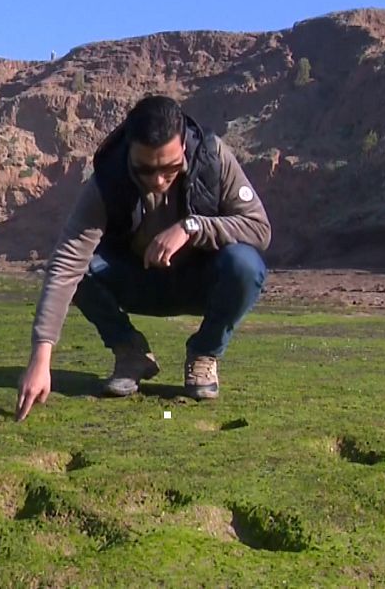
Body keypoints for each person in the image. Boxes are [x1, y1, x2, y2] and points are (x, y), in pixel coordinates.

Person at [15, 95, 270, 421]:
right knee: (81, 271)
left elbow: (259, 229)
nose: (159, 180)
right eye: (146, 170)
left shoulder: (213, 156)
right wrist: (41, 356)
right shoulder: (109, 177)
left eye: (170, 168)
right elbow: (67, 261)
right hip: (137, 281)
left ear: (183, 144)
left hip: (201, 282)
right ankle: (130, 352)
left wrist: (193, 227)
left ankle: (204, 353)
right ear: (129, 151)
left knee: (245, 265)